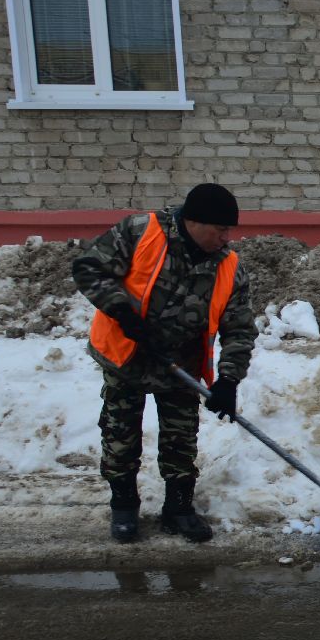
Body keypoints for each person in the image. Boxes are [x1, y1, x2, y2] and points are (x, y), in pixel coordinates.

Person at [73, 183, 257, 544]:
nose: (226, 238)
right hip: (129, 354)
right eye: (220, 230)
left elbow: (239, 330)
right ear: (194, 221)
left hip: (180, 364)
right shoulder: (141, 231)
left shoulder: (230, 267)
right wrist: (123, 313)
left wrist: (229, 380)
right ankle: (124, 505)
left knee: (181, 439)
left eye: (228, 231)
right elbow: (89, 267)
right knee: (120, 433)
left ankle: (179, 507)